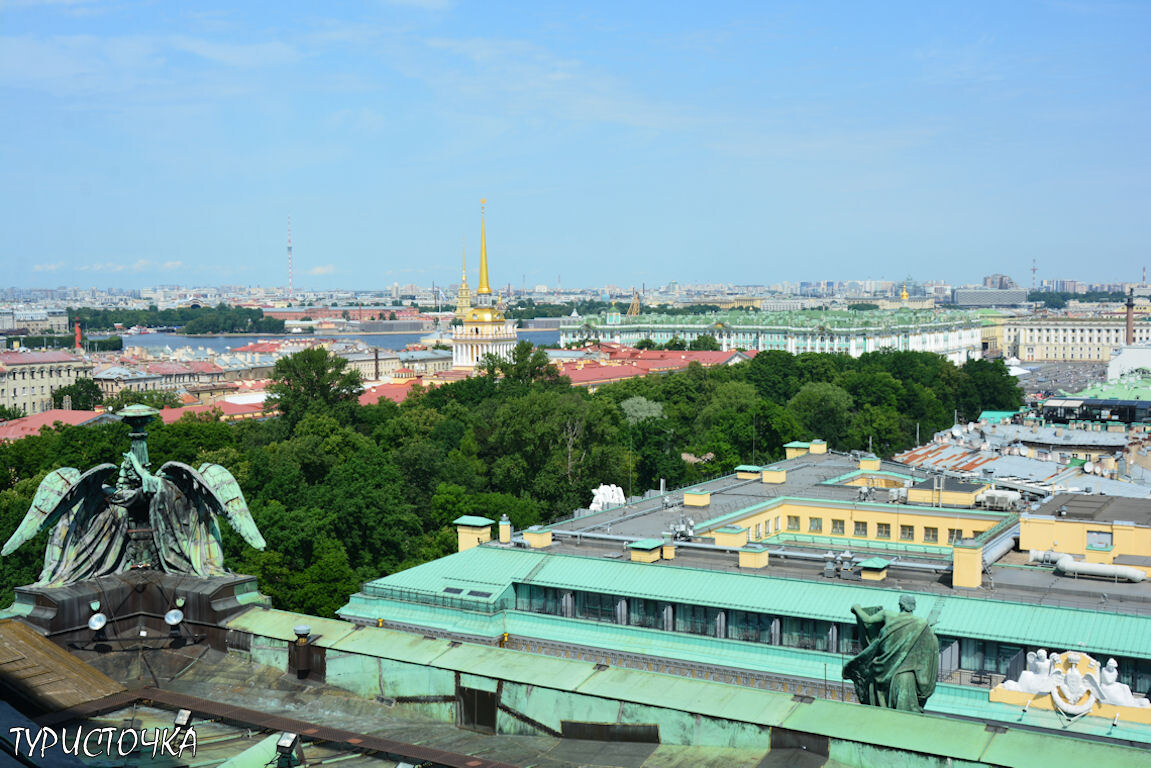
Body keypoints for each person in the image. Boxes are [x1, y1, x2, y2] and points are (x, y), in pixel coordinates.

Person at [843, 594, 939, 712]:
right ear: (913, 607)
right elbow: (928, 648)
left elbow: (867, 621)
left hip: (883, 667)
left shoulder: (887, 614)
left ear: (900, 605)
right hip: (904, 673)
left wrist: (856, 607)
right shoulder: (921, 624)